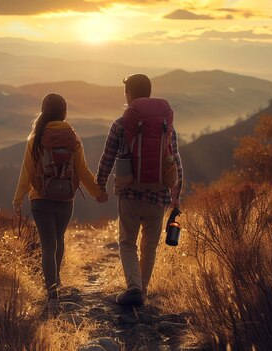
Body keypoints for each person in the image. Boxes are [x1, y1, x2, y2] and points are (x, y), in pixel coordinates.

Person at [13, 93, 108, 313]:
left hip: (40, 200)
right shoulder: (73, 137)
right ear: (65, 112)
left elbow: (26, 172)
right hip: (65, 200)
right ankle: (57, 281)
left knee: (47, 245)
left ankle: (52, 294)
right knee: (58, 239)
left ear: (44, 111)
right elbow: (82, 170)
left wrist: (18, 198)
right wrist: (97, 192)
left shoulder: (35, 137)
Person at [96, 74, 183, 306]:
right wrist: (176, 196)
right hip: (158, 195)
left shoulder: (121, 124)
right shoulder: (167, 127)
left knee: (127, 243)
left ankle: (133, 287)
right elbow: (175, 161)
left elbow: (107, 157)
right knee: (149, 247)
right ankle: (142, 292)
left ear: (130, 94)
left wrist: (100, 185)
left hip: (129, 194)